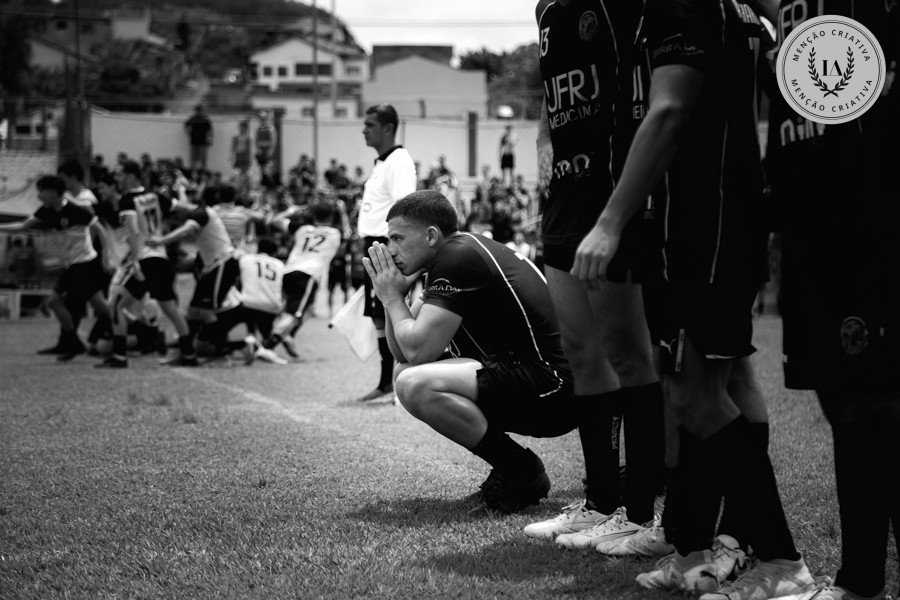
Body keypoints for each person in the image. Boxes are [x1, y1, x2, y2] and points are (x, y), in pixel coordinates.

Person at [571, 0, 813, 597]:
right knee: (716, 387)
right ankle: (707, 550)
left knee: (693, 393)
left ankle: (780, 562)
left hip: (703, 225)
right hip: (714, 221)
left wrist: (609, 221)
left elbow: (670, 113)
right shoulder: (727, 10)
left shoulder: (682, 5)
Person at [765, 3, 900, 600]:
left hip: (871, 215)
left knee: (882, 407)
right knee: (844, 407)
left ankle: (864, 581)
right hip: (807, 227)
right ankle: (861, 582)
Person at [523, 0, 665, 555]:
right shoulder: (545, 9)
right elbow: (549, 93)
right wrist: (542, 148)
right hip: (565, 194)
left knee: (630, 354)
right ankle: (601, 502)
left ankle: (642, 509)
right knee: (583, 354)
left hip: (613, 185)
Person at [364, 190, 577, 512]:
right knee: (404, 374)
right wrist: (395, 297)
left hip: (555, 388)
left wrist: (392, 299)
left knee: (414, 383)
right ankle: (514, 467)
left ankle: (520, 470)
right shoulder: (455, 253)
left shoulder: (457, 256)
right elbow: (404, 354)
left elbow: (419, 349)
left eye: (397, 238)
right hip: (534, 377)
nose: (390, 250)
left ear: (431, 235)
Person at [96, 161, 197, 369]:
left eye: (121, 174)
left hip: (144, 258)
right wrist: (203, 211)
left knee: (115, 304)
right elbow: (181, 207)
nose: (118, 179)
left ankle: (119, 355)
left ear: (132, 175)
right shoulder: (155, 196)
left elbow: (132, 231)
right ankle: (188, 353)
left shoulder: (127, 200)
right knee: (170, 309)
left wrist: (134, 260)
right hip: (160, 259)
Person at [0, 175, 111, 361]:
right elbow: (23, 226)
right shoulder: (46, 211)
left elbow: (100, 229)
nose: (38, 196)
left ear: (52, 192)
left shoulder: (77, 210)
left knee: (56, 301)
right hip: (74, 265)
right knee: (100, 305)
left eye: (41, 191)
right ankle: (129, 329)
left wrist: (107, 257)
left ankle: (76, 343)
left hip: (85, 264)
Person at [356, 103, 418, 402]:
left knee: (389, 312)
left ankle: (394, 383)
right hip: (373, 244)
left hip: (384, 246)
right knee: (378, 317)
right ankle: (386, 383)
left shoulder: (398, 161)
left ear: (388, 128)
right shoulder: (382, 162)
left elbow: (404, 212)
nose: (364, 129)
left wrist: (395, 252)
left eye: (370, 124)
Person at [260, 201, 342, 360]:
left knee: (303, 309)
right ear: (331, 217)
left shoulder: (302, 229)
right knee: (295, 314)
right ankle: (268, 345)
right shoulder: (335, 234)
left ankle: (288, 336)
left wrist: (294, 209)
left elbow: (275, 221)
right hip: (308, 274)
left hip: (288, 271)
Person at [184, 104, 213, 172]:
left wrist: (210, 139)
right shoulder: (193, 118)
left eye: (199, 110)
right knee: (193, 159)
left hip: (203, 142)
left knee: (203, 159)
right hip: (194, 142)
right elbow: (186, 125)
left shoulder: (205, 119)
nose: (198, 112)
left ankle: (203, 173)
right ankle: (193, 173)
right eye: (197, 110)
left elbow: (210, 130)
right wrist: (188, 133)